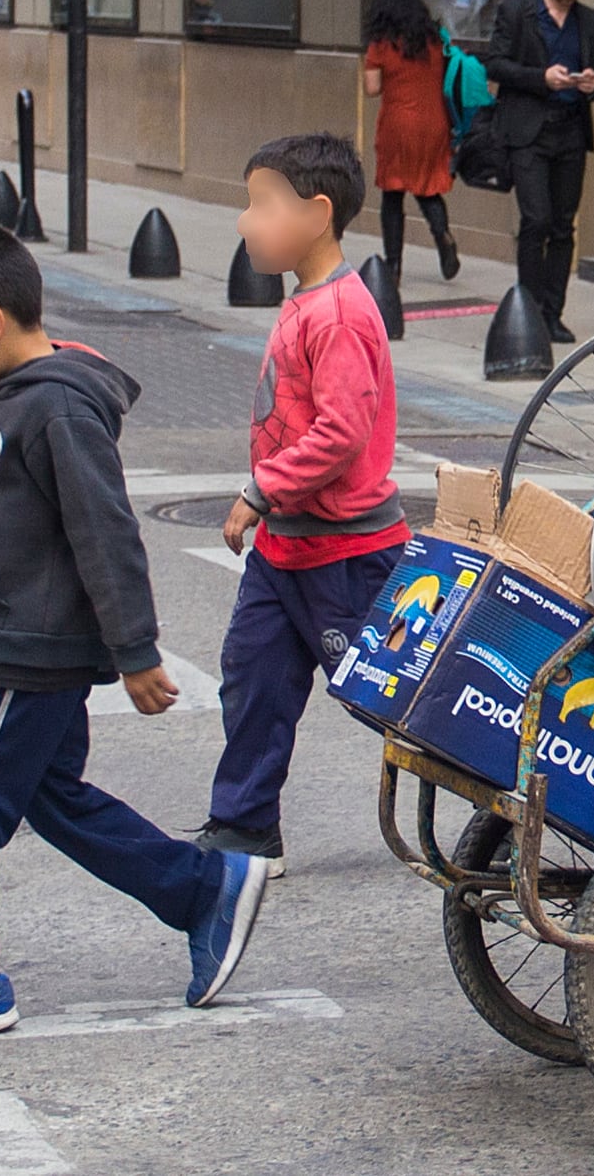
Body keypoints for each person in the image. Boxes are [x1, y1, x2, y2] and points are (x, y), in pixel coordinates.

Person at [0, 219, 270, 1038]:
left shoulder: (58, 407)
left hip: (16, 659)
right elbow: (2, 460)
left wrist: (136, 652)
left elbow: (105, 531)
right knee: (55, 801)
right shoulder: (22, 397)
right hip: (17, 647)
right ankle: (202, 890)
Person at [205, 134, 410, 869]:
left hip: (347, 552)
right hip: (286, 546)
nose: (245, 221)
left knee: (396, 697)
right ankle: (244, 825)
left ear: (318, 214)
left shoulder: (341, 313)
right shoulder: (307, 301)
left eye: (262, 204)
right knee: (253, 677)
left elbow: (342, 433)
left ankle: (512, 799)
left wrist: (262, 489)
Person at [485, 0, 594, 344]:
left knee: (562, 225)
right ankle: (529, 309)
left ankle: (552, 313)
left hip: (571, 130)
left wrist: (592, 84)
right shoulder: (517, 13)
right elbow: (495, 64)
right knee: (535, 219)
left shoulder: (589, 21)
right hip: (528, 132)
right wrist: (541, 77)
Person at [361, 0, 461, 284]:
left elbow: (372, 88)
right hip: (434, 125)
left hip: (398, 126)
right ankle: (443, 236)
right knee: (428, 187)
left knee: (393, 193)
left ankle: (393, 266)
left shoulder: (381, 45)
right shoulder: (434, 40)